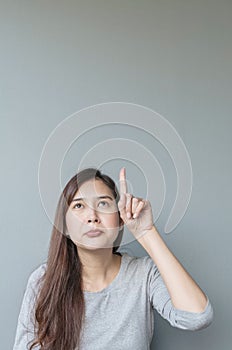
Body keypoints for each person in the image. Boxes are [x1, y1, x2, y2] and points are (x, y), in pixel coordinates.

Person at [13, 167, 214, 350]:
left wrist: (147, 232)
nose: (92, 216)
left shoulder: (143, 275)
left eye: (103, 203)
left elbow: (197, 317)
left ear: (119, 219)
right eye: (78, 206)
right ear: (64, 226)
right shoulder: (43, 280)